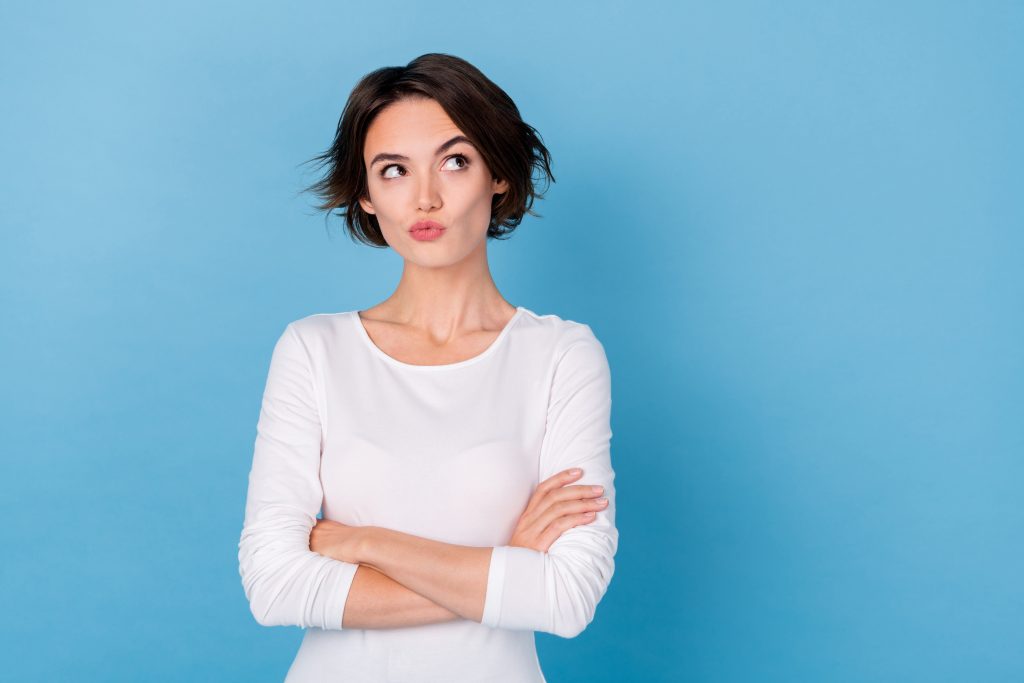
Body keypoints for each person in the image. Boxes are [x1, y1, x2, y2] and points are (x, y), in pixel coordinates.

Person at [237, 53, 618, 683]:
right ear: (365, 192)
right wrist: (506, 567)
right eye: (394, 170)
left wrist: (365, 543)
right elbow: (274, 585)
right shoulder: (313, 349)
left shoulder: (561, 354)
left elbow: (566, 597)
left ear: (497, 173)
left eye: (455, 160)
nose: (425, 197)